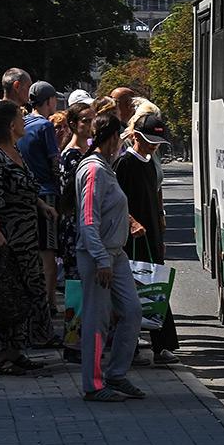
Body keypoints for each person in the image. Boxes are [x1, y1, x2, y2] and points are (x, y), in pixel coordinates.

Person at [0, 100, 58, 375]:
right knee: (8, 294)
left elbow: (22, 187)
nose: (25, 122)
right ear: (12, 126)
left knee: (26, 292)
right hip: (8, 241)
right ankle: (0, 356)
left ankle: (17, 349)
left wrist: (41, 205)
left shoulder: (15, 152)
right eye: (21, 119)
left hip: (25, 237)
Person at [76, 111, 145, 402]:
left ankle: (116, 375)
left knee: (132, 311)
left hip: (115, 255)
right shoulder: (92, 169)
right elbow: (87, 218)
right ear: (114, 137)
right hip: (99, 258)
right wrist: (101, 259)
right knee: (97, 321)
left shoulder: (106, 167)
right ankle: (93, 385)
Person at [115, 111, 179, 365]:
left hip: (151, 234)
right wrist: (131, 222)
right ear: (136, 137)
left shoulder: (150, 163)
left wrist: (160, 229)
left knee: (157, 288)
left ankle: (162, 345)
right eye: (149, 140)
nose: (153, 146)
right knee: (131, 292)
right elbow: (117, 200)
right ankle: (128, 347)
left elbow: (155, 197)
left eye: (157, 143)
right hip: (131, 238)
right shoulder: (124, 163)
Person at [17, 80, 62, 336]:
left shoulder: (23, 123)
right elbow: (54, 163)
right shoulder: (45, 126)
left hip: (27, 196)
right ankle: (47, 303)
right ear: (49, 101)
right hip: (47, 194)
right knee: (49, 251)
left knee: (32, 249)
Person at [57, 101, 94, 364]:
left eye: (92, 120)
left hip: (88, 224)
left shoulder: (89, 150)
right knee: (76, 287)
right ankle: (73, 343)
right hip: (74, 227)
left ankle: (88, 340)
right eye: (84, 120)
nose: (90, 125)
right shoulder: (70, 155)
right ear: (72, 124)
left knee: (88, 286)